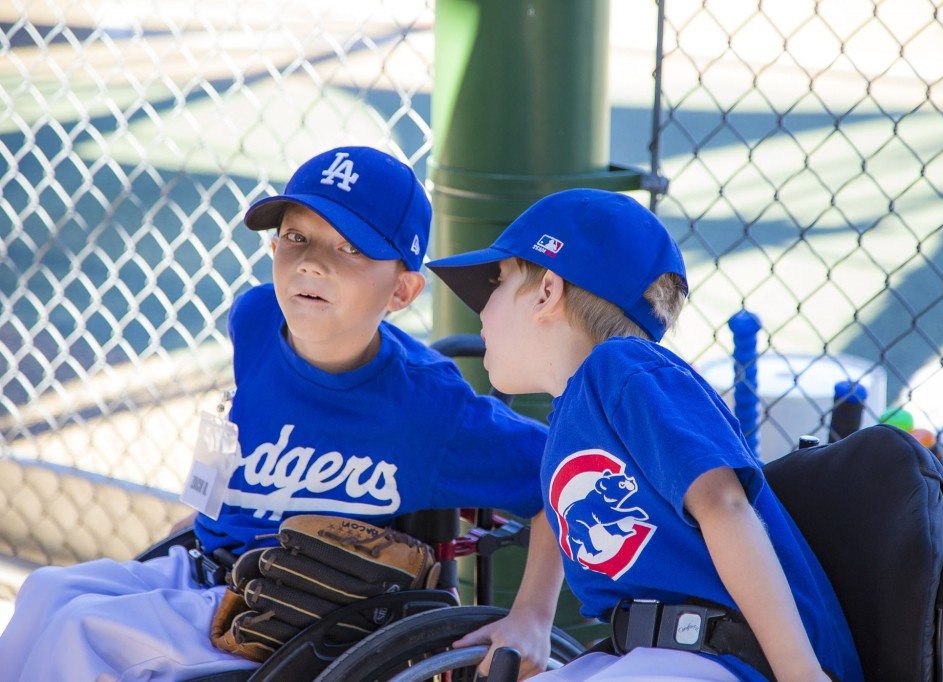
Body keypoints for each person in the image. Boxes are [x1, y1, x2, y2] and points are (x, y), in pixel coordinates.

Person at [0, 147, 561, 681]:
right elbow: (246, 422)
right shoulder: (256, 319)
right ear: (273, 250)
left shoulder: (430, 406)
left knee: (79, 632)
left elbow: (559, 475)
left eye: (350, 248)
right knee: (46, 591)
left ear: (402, 290)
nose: (312, 263)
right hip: (204, 564)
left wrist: (532, 615)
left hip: (287, 620)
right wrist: (210, 507)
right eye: (296, 237)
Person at [429, 189, 864, 681]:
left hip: (731, 656)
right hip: (661, 653)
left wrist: (800, 674)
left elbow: (724, 505)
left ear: (547, 292)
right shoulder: (581, 407)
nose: (481, 309)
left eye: (498, 282)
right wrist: (532, 613)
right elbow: (558, 507)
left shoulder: (623, 369)